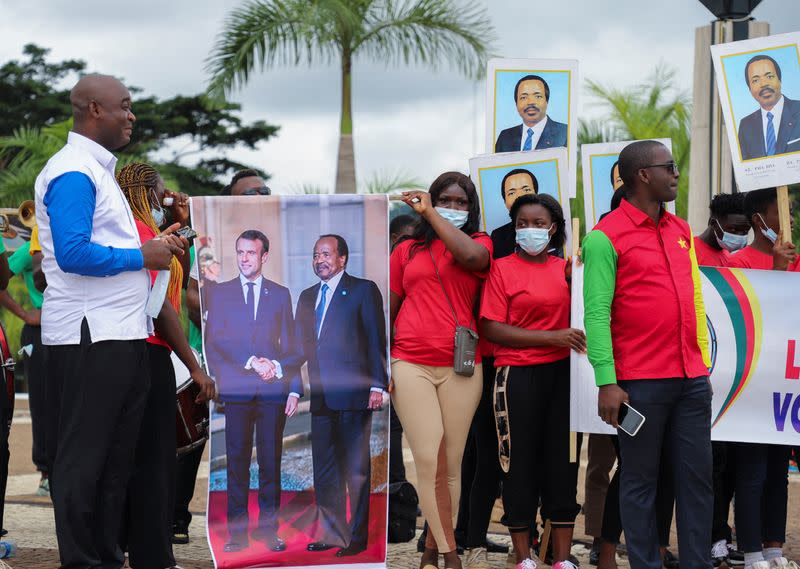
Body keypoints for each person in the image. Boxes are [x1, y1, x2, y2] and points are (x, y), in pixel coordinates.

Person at [34, 74, 185, 569]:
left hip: (121, 335)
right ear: (94, 109)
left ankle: (103, 555)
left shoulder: (100, 172)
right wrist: (142, 254)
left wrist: (157, 252)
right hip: (88, 336)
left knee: (115, 460)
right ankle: (82, 560)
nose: (131, 115)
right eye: (124, 106)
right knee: (84, 460)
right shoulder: (74, 171)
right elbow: (73, 252)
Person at [582, 140, 713, 569]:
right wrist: (607, 380)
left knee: (696, 482)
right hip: (639, 385)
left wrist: (703, 360)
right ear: (643, 175)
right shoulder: (604, 238)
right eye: (669, 167)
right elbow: (596, 314)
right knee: (639, 483)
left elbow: (693, 297)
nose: (676, 174)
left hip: (691, 380)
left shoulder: (679, 232)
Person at [116, 162, 215, 568]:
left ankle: (145, 549)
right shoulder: (139, 235)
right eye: (162, 191)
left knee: (148, 461)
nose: (169, 196)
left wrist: (183, 226)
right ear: (146, 193)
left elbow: (178, 284)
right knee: (152, 462)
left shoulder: (154, 235)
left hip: (150, 352)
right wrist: (193, 365)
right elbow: (162, 312)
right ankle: (152, 556)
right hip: (146, 352)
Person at [390, 172, 491, 569]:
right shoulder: (406, 250)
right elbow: (392, 307)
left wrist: (433, 215)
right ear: (430, 199)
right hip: (409, 361)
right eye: (444, 199)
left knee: (452, 464)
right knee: (429, 460)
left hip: (462, 366)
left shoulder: (480, 243)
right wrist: (381, 360)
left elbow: (472, 260)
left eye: (462, 201)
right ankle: (452, 556)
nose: (454, 207)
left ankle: (431, 549)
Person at [480, 193, 583, 569]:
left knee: (563, 462)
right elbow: (491, 327)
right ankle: (524, 557)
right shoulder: (501, 269)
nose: (530, 230)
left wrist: (577, 282)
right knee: (517, 463)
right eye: (522, 224)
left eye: (538, 224)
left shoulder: (568, 269)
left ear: (553, 229)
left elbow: (591, 311)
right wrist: (550, 338)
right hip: (516, 376)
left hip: (563, 377)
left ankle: (563, 558)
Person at [204, 229, 301, 553]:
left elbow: (291, 346)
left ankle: (269, 531)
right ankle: (237, 534)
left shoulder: (280, 294)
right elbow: (215, 340)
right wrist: (248, 362)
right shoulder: (221, 293)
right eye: (240, 252)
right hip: (237, 392)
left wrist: (278, 369)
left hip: (273, 392)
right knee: (236, 464)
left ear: (264, 256)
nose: (244, 258)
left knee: (271, 463)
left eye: (251, 253)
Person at [295, 234, 387, 557]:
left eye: (326, 254)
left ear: (342, 259)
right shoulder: (307, 297)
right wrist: (293, 386)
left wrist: (378, 383)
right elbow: (298, 348)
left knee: (355, 468)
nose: (319, 259)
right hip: (320, 396)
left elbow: (376, 338)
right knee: (325, 470)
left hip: (353, 393)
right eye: (315, 254)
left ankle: (357, 537)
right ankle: (333, 534)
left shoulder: (363, 290)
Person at [725, 187, 797, 569]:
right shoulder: (737, 263)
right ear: (759, 221)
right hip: (751, 384)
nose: (788, 222)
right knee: (750, 470)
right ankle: (751, 550)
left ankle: (773, 547)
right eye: (780, 214)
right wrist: (779, 272)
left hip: (786, 385)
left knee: (778, 471)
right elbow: (749, 315)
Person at [0, 238, 47, 496]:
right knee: (41, 403)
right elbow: (1, 279)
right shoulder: (31, 247)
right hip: (39, 332)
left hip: (71, 330)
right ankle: (45, 474)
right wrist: (25, 315)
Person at [737, 55, 800, 160]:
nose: (764, 84)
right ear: (750, 89)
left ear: (780, 80)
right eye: (755, 80)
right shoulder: (745, 125)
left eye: (769, 76)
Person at [495, 75, 568, 153]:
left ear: (547, 102)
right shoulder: (505, 137)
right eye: (524, 97)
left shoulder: (565, 132)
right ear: (516, 104)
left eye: (538, 96)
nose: (531, 102)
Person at [490, 169, 539, 259]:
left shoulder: (552, 229)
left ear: (537, 194)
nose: (519, 196)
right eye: (511, 193)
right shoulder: (498, 236)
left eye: (526, 189)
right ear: (505, 202)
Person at [694, 193, 750, 267]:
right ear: (714, 223)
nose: (740, 236)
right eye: (734, 230)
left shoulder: (731, 257)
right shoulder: (689, 251)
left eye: (745, 231)